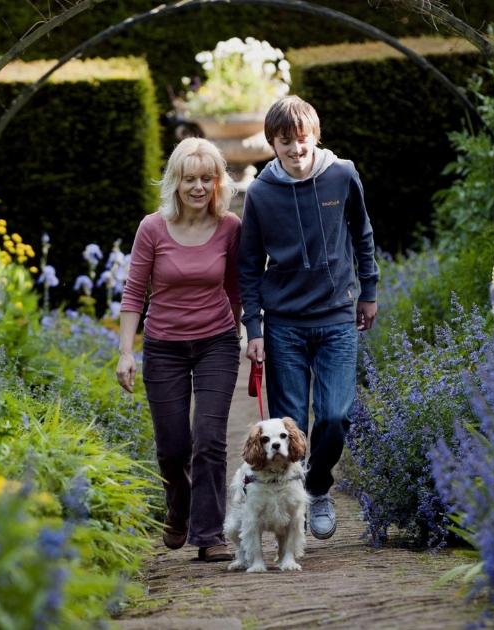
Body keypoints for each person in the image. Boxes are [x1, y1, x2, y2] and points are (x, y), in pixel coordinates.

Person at [237, 95, 379, 540]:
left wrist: (368, 290)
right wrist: (254, 328)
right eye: (285, 144)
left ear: (314, 136)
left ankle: (318, 487)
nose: (295, 151)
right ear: (272, 145)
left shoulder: (343, 174)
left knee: (336, 415)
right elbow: (248, 266)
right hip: (285, 325)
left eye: (301, 141)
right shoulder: (260, 194)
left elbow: (363, 234)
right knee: (291, 419)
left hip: (337, 316)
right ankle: (292, 508)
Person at [116, 137, 242, 563]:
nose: (199, 187)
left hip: (216, 344)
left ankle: (210, 535)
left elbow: (235, 290)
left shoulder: (230, 228)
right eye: (190, 178)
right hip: (164, 346)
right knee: (172, 449)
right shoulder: (152, 227)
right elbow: (135, 293)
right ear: (176, 181)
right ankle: (180, 509)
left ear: (218, 183)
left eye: (207, 178)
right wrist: (126, 352)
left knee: (209, 439)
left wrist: (244, 333)